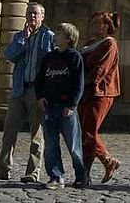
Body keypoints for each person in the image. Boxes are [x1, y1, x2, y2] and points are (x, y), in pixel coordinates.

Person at [0, 3, 54, 183]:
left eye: (35, 14)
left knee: (36, 133)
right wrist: (23, 40)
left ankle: (33, 172)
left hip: (37, 91)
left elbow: (52, 61)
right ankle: (3, 169)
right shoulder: (19, 36)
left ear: (42, 16)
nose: (32, 16)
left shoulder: (49, 37)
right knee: (9, 131)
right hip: (19, 89)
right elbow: (9, 55)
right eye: (29, 13)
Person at [36, 22, 86, 189]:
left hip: (66, 107)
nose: (55, 37)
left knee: (73, 145)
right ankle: (56, 177)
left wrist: (72, 104)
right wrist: (40, 97)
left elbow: (79, 84)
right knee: (50, 144)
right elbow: (40, 80)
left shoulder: (74, 57)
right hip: (49, 106)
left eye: (58, 34)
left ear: (68, 38)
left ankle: (81, 176)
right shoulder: (49, 57)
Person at [79, 12, 122, 184]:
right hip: (84, 91)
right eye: (92, 22)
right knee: (84, 132)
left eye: (97, 23)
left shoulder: (109, 44)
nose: (92, 25)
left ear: (106, 26)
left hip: (100, 92)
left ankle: (85, 173)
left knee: (89, 132)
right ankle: (107, 161)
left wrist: (84, 83)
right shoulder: (90, 44)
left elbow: (100, 71)